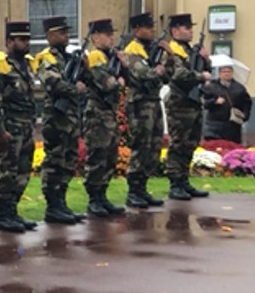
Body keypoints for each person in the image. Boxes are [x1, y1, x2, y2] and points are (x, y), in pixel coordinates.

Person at [0, 21, 41, 233]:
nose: (26, 43)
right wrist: (0, 130)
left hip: (26, 126)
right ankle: (2, 214)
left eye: (28, 39)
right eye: (21, 39)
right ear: (9, 42)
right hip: (10, 126)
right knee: (7, 170)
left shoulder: (26, 65)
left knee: (22, 170)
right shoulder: (2, 66)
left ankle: (12, 210)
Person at [34, 16, 85, 225]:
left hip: (71, 118)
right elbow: (53, 83)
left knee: (68, 160)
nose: (66, 36)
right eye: (62, 32)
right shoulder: (46, 58)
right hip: (56, 117)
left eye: (67, 32)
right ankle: (52, 205)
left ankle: (61, 202)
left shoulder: (68, 58)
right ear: (50, 35)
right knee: (55, 161)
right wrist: (75, 89)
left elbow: (84, 79)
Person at [161, 13, 212, 201]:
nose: (191, 31)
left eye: (191, 27)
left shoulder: (188, 50)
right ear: (175, 31)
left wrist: (206, 60)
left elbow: (199, 70)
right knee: (178, 143)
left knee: (190, 143)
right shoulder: (173, 50)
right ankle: (175, 183)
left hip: (192, 102)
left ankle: (184, 180)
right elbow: (179, 75)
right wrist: (201, 77)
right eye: (186, 28)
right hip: (179, 102)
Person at [82, 18, 128, 216]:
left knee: (110, 157)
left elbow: (128, 80)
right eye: (107, 35)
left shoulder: (111, 57)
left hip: (109, 112)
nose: (111, 38)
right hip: (97, 114)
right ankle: (94, 198)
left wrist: (123, 66)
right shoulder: (95, 57)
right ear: (95, 37)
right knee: (98, 156)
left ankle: (102, 195)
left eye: (112, 34)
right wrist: (118, 80)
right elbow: (106, 83)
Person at [122, 13, 168, 208]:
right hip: (140, 104)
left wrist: (169, 57)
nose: (152, 30)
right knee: (141, 146)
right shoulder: (133, 50)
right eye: (148, 27)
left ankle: (142, 188)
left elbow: (166, 76)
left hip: (153, 101)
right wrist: (156, 71)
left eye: (152, 27)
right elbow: (143, 73)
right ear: (137, 30)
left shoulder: (152, 49)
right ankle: (133, 191)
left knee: (154, 146)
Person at [202, 62, 253, 143]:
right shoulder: (211, 86)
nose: (226, 74)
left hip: (233, 126)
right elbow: (204, 103)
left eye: (229, 72)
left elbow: (247, 103)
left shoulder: (239, 88)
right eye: (224, 72)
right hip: (214, 126)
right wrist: (215, 102)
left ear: (232, 73)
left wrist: (245, 116)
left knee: (232, 148)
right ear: (219, 73)